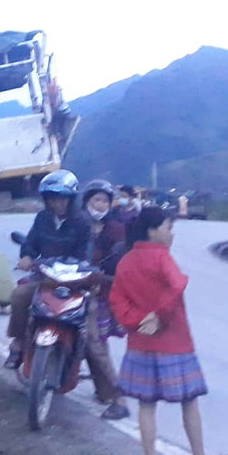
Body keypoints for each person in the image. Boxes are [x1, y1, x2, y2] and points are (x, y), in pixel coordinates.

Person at [110, 207, 228, 455]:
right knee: (189, 401)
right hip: (174, 343)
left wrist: (140, 320)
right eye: (168, 227)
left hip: (140, 344)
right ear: (152, 230)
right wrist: (158, 316)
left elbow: (117, 302)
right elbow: (177, 287)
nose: (172, 233)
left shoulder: (126, 261)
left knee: (146, 405)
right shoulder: (162, 257)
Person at [3, 169, 91, 370]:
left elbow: (86, 253)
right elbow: (31, 243)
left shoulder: (83, 223)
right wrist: (26, 256)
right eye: (52, 199)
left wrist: (80, 267)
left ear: (72, 199)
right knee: (18, 295)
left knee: (92, 334)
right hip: (45, 276)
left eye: (62, 199)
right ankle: (18, 343)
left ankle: (105, 388)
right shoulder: (42, 218)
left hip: (73, 281)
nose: (57, 203)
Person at [80, 179, 130, 420]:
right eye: (95, 199)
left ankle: (120, 398)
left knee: (95, 342)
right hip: (72, 286)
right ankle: (105, 391)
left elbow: (120, 260)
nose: (99, 205)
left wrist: (105, 273)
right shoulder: (77, 224)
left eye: (103, 200)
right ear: (86, 201)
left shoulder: (116, 229)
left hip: (99, 292)